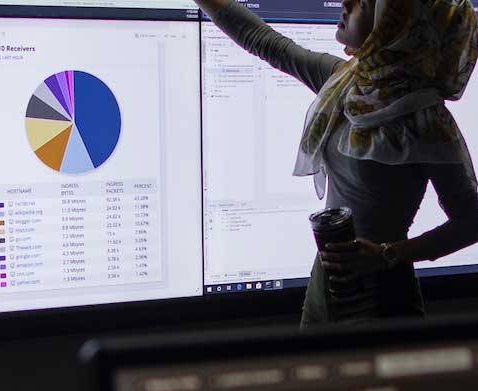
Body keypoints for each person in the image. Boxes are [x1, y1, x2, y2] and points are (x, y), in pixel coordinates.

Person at [195, 0, 478, 326]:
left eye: (364, 4)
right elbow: (265, 42)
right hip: (326, 281)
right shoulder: (343, 82)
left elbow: (471, 222)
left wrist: (389, 254)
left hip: (383, 293)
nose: (346, 4)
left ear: (396, 27)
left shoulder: (428, 121)